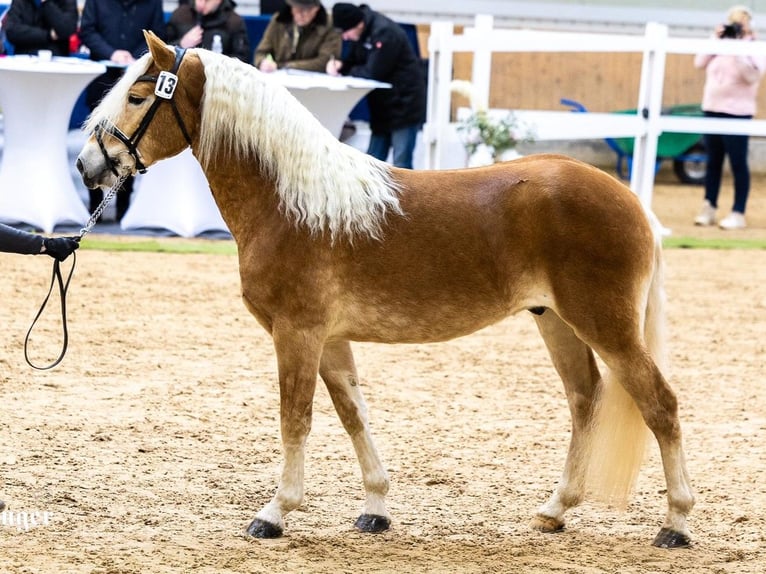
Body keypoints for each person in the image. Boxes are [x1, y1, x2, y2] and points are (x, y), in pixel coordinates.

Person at [78, 0, 165, 222]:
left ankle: (123, 211)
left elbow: (156, 35)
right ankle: (94, 207)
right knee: (97, 143)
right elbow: (87, 30)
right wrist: (112, 52)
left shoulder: (153, 3)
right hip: (102, 80)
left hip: (134, 83)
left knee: (128, 145)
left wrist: (134, 58)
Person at [693, 5, 766, 230]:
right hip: (712, 108)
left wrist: (739, 49)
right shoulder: (719, 44)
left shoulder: (753, 48)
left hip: (737, 112)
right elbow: (699, 62)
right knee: (713, 160)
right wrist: (715, 38)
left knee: (737, 163)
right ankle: (709, 206)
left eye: (740, 22)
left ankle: (738, 212)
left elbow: (752, 76)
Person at [327, 3, 425, 169]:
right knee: (372, 162)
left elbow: (372, 72)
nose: (345, 37)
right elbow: (354, 62)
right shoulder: (361, 31)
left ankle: (405, 196)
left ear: (358, 25)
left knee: (401, 163)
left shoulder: (385, 33)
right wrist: (340, 65)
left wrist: (347, 69)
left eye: (345, 32)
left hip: (404, 106)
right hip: (383, 108)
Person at [253, 0, 340, 73]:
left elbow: (325, 61)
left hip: (315, 82)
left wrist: (287, 66)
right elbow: (261, 52)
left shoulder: (330, 25)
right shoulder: (278, 21)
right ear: (291, 8)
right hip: (279, 79)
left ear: (316, 9)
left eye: (308, 10)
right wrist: (262, 62)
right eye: (298, 9)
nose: (302, 14)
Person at [166, 0, 251, 62]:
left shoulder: (234, 21)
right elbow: (163, 49)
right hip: (185, 77)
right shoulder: (180, 14)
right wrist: (181, 44)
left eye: (207, 1)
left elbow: (243, 59)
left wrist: (215, 62)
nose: (201, 4)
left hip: (218, 79)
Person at [3, 0, 77, 57]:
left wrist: (46, 3)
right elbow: (12, 32)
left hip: (57, 59)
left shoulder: (66, 2)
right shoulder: (20, 2)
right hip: (25, 58)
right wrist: (49, 35)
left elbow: (66, 29)